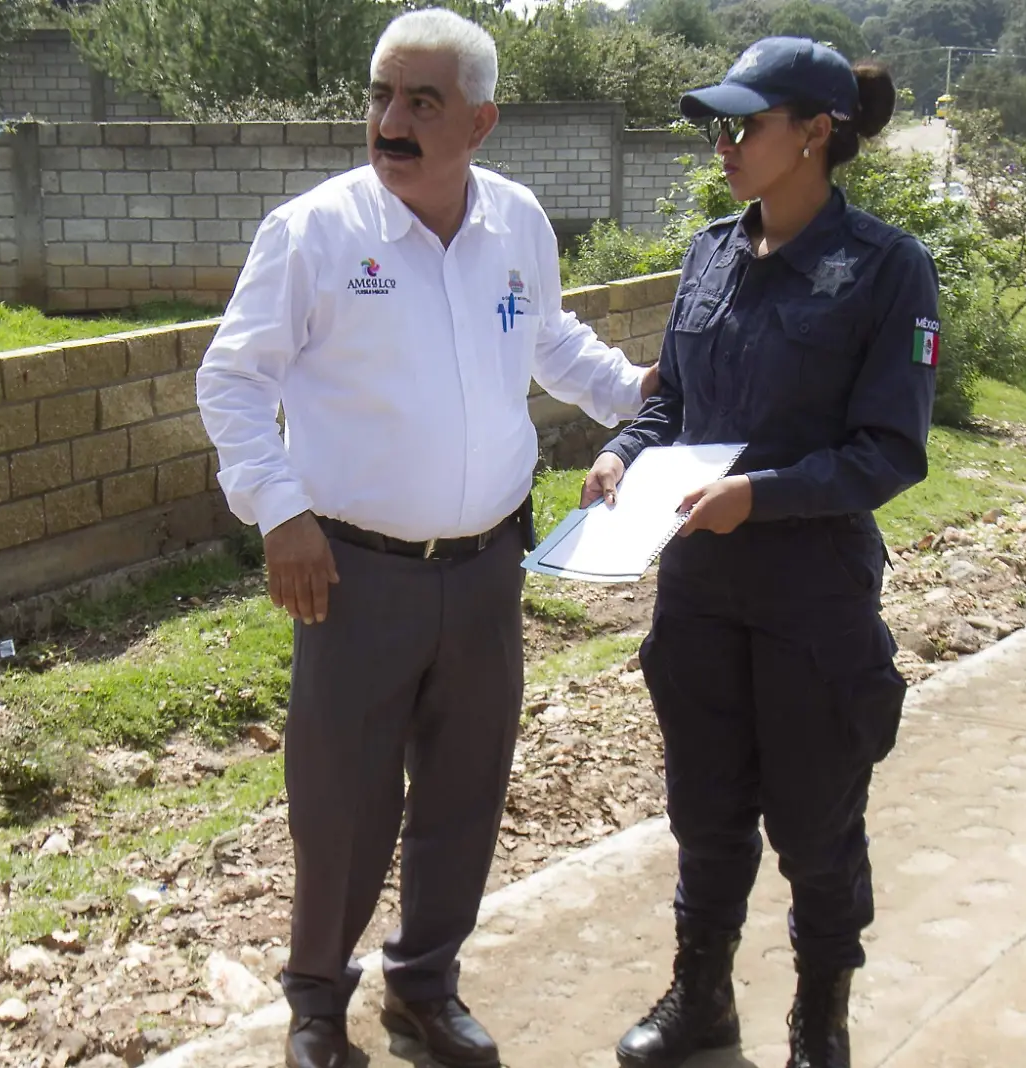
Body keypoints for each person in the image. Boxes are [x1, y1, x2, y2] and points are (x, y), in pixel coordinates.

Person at [195, 10, 655, 1068]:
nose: (389, 122)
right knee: (341, 803)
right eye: (380, 97)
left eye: (421, 103)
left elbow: (546, 337)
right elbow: (231, 379)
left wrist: (633, 392)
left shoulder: (516, 224)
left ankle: (423, 987)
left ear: (480, 123)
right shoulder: (314, 232)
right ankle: (316, 1006)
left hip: (489, 568)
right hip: (353, 576)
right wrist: (281, 510)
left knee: (464, 789)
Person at [582, 37, 938, 1068]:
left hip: (811, 601)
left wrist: (763, 499)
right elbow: (674, 409)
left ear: (816, 132)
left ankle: (818, 1022)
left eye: (746, 125)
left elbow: (889, 451)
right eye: (717, 125)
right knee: (705, 808)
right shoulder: (709, 252)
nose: (724, 145)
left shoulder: (884, 268)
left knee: (816, 824)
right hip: (697, 594)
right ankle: (702, 1001)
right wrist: (618, 455)